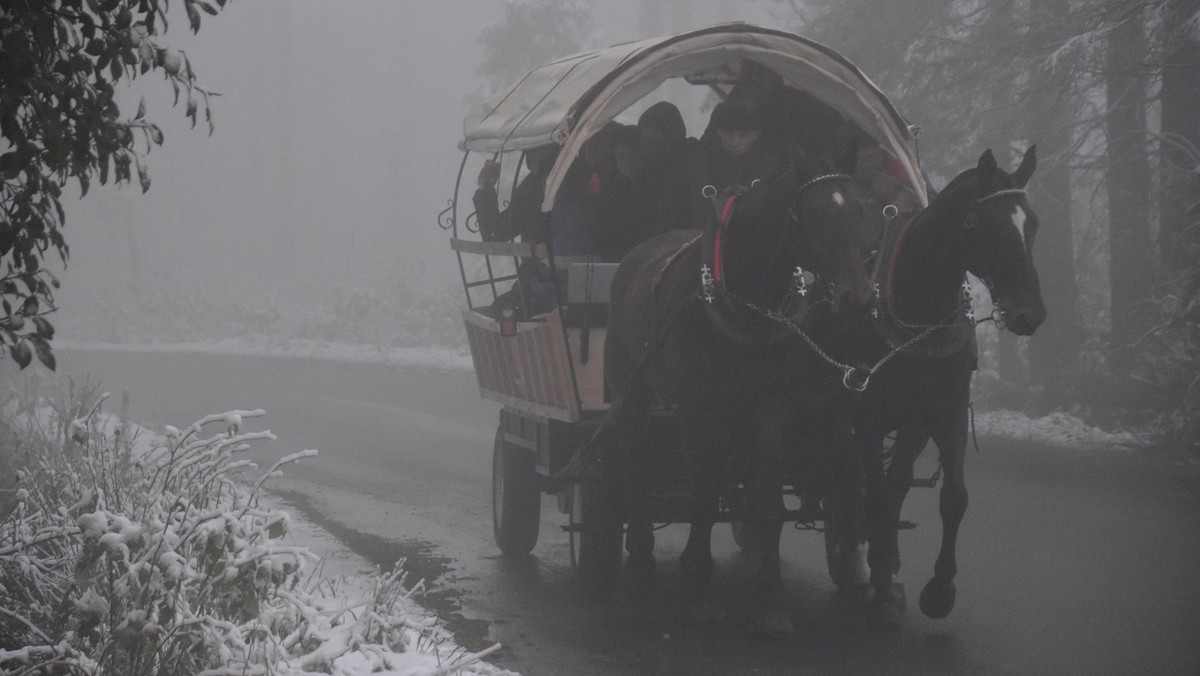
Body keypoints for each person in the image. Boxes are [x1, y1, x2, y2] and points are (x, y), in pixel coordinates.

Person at [472, 145, 558, 243]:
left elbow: (497, 233)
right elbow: (499, 230)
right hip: (543, 250)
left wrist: (486, 189)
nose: (528, 157)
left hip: (546, 250)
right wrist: (486, 189)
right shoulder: (535, 182)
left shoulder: (540, 184)